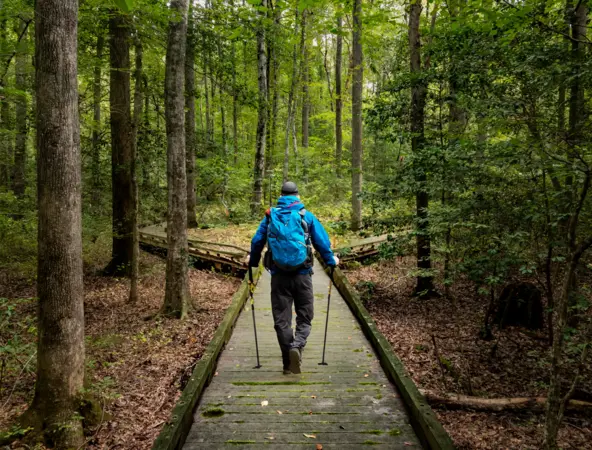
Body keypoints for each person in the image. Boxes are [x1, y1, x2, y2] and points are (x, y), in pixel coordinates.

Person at [248, 181, 339, 374]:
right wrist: (331, 261)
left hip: (279, 276)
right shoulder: (306, 216)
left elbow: (257, 241)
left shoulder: (271, 216)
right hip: (303, 275)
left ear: (281, 196)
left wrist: (253, 262)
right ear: (297, 196)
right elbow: (322, 242)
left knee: (282, 320)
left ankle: (287, 364)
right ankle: (297, 346)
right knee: (305, 317)